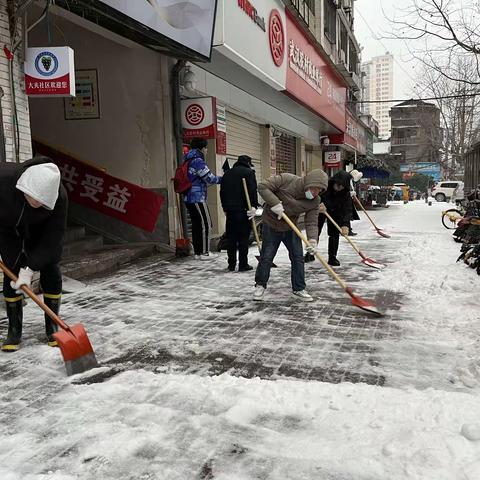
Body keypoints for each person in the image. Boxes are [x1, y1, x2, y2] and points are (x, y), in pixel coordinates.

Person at [0, 157, 67, 352]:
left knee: (51, 267)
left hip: (40, 233)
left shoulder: (59, 197)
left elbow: (53, 239)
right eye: (32, 197)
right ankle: (14, 330)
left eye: (42, 201)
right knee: (11, 268)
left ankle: (52, 325)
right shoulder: (3, 180)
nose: (36, 203)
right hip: (7, 230)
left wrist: (29, 270)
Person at [253, 169, 328, 302]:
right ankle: (260, 285)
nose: (316, 192)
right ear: (308, 183)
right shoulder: (286, 180)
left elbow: (311, 222)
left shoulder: (314, 201)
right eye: (314, 188)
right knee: (267, 257)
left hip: (290, 227)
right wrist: (275, 203)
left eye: (319, 190)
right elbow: (262, 186)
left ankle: (299, 288)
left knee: (298, 257)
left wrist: (312, 240)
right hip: (271, 224)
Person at [183, 137, 222, 260]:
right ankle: (204, 252)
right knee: (205, 224)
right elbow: (209, 178)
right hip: (197, 197)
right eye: (206, 147)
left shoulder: (187, 159)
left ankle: (198, 253)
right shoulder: (198, 161)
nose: (207, 150)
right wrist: (222, 179)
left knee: (196, 225)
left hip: (188, 197)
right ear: (202, 148)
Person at [305, 170, 353, 267]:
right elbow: (314, 197)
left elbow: (347, 209)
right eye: (338, 185)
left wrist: (345, 224)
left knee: (334, 235)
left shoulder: (345, 193)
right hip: (321, 211)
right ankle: (310, 254)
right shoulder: (325, 188)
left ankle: (332, 257)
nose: (339, 188)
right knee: (315, 232)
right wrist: (319, 205)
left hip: (336, 213)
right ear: (334, 182)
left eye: (342, 186)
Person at [220, 155, 258, 272]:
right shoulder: (249, 172)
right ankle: (243, 264)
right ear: (247, 163)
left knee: (231, 238)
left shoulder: (227, 173)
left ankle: (231, 264)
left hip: (230, 211)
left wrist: (225, 208)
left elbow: (222, 192)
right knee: (243, 238)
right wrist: (253, 206)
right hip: (243, 210)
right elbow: (252, 190)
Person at [348, 169, 363, 236]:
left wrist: (352, 194)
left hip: (348, 200)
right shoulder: (347, 180)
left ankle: (348, 229)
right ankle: (347, 230)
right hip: (345, 201)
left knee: (347, 215)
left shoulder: (351, 181)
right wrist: (350, 193)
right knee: (346, 216)